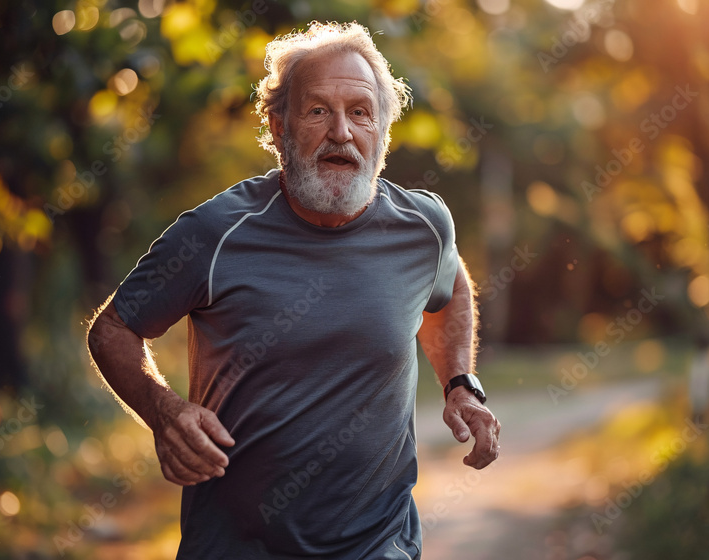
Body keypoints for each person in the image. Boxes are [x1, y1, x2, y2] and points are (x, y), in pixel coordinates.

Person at [87, 21, 501, 559]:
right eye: (317, 111)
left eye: (360, 111)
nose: (341, 133)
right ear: (278, 126)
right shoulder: (214, 234)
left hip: (380, 545)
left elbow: (449, 290)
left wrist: (461, 382)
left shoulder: (422, 226)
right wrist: (163, 411)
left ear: (382, 132)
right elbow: (114, 328)